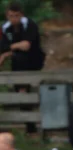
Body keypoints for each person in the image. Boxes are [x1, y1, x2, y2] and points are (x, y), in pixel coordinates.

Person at [0, 2, 45, 134]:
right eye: (11, 16)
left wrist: (9, 50)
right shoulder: (6, 28)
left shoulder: (30, 25)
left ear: (21, 15)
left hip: (34, 60)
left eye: (16, 16)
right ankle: (30, 127)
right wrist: (9, 50)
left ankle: (32, 126)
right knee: (21, 94)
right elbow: (3, 47)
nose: (13, 19)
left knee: (25, 90)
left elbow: (27, 45)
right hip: (17, 63)